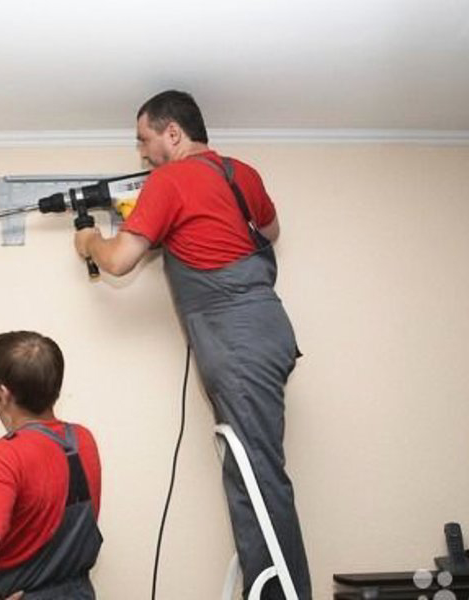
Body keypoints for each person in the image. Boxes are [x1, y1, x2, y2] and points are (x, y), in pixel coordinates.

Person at [73, 90, 311, 599]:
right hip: (268, 331)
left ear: (173, 133)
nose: (142, 153)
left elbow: (117, 261)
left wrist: (89, 240)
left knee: (257, 477)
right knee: (247, 471)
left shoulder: (169, 181)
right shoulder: (240, 173)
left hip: (237, 341)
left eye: (145, 140)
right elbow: (269, 230)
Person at [0, 331, 102, 600]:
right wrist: (1, 404)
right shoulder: (83, 440)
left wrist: (4, 402)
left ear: (4, 391)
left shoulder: (4, 457)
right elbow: (38, 442)